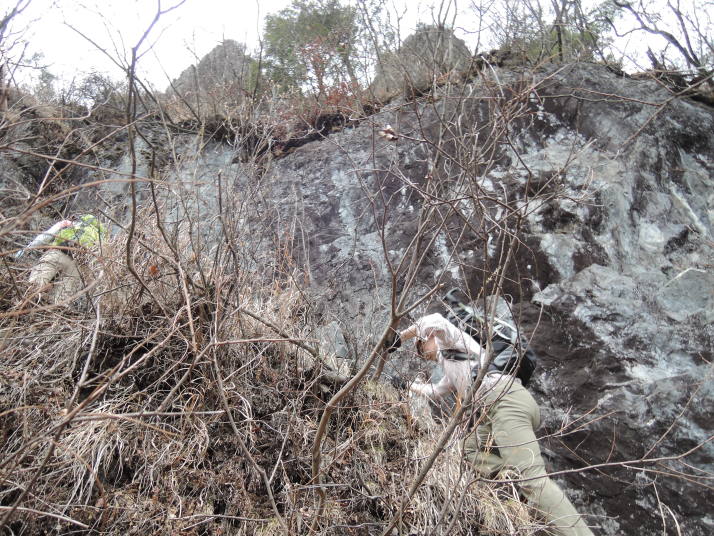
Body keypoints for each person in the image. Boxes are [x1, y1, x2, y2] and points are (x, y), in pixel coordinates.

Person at [385, 305, 596, 536]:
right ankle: (514, 481)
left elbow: (434, 319)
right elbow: (435, 391)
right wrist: (406, 385)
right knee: (469, 448)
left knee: (534, 480)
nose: (422, 353)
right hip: (492, 410)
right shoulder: (450, 366)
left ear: (431, 338)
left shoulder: (452, 339)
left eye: (421, 346)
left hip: (504, 399)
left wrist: (401, 337)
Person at [17, 214, 106, 299]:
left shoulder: (68, 223)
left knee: (33, 287)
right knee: (60, 301)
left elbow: (45, 237)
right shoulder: (100, 238)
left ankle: (22, 308)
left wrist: (26, 250)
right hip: (77, 267)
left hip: (57, 253)